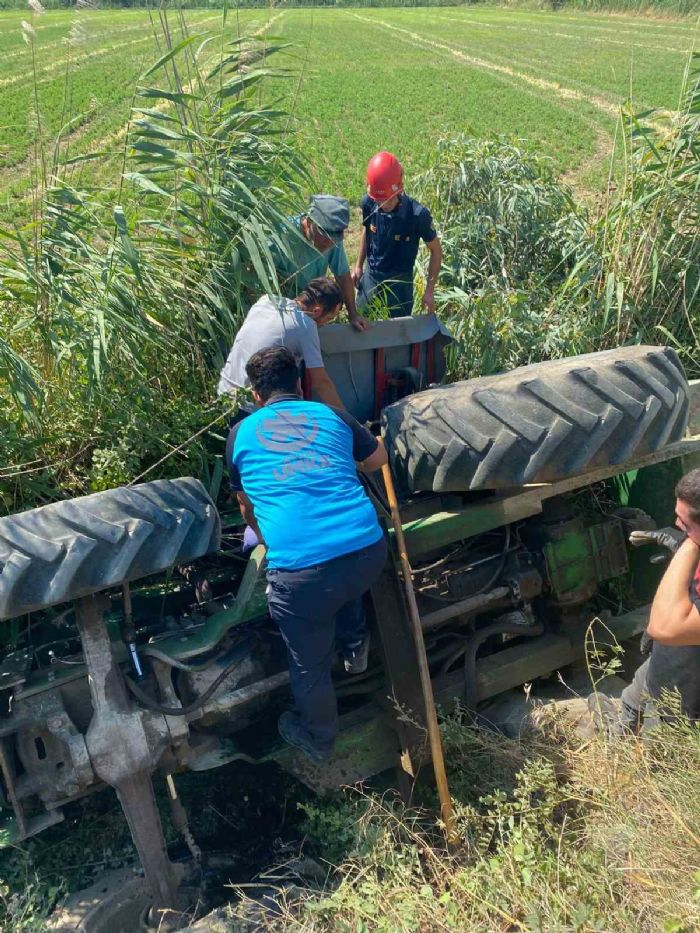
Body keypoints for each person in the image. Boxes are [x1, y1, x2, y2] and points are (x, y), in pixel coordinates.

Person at [226, 346, 388, 764]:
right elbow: (378, 459)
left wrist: (265, 537)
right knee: (344, 581)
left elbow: (245, 506)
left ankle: (319, 739)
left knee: (309, 665)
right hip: (367, 551)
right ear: (299, 384)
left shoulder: (241, 434)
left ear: (256, 396)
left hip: (302, 577)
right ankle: (354, 645)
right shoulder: (330, 414)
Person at [590, 470, 700, 732]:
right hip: (661, 668)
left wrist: (688, 546)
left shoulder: (693, 545)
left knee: (658, 749)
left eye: (685, 523)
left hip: (685, 701)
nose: (676, 524)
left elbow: (663, 627)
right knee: (628, 710)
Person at [217, 277, 346, 410]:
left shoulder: (266, 300)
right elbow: (321, 384)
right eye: (328, 318)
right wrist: (350, 423)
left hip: (224, 394)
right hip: (251, 409)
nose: (325, 325)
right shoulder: (305, 325)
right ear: (316, 311)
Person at [352, 151, 442, 319]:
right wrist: (358, 266)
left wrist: (429, 291)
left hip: (400, 283)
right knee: (361, 324)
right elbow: (368, 229)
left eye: (387, 199)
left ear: (399, 188)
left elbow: (436, 251)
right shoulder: (369, 203)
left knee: (398, 331)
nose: (382, 204)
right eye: (378, 200)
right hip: (372, 275)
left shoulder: (417, 215)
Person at [272, 194, 369, 333]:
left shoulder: (332, 239)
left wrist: (353, 314)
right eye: (324, 236)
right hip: (281, 310)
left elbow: (342, 275)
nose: (328, 243)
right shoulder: (281, 235)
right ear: (310, 222)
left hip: (313, 310)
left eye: (334, 239)